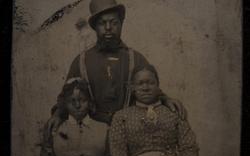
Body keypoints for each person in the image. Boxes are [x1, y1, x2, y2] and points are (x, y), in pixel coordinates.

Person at [46, 0, 186, 137]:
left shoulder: (135, 58)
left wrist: (166, 99)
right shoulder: (81, 61)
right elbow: (67, 95)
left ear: (121, 24)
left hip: (129, 132)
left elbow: (149, 87)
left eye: (114, 23)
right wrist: (58, 114)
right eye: (102, 23)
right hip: (93, 134)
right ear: (95, 27)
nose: (108, 28)